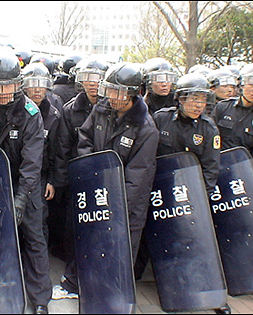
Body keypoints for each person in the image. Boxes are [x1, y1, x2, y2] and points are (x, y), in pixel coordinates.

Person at [52, 62, 159, 300]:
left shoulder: (146, 128)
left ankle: (111, 295)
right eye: (109, 90)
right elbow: (85, 137)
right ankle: (74, 285)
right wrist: (90, 168)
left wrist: (117, 206)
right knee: (86, 239)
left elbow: (138, 177)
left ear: (133, 93)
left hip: (125, 203)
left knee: (118, 249)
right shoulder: (101, 108)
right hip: (95, 190)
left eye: (118, 92)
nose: (112, 97)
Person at [0, 49, 51, 314]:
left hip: (25, 182)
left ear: (19, 85)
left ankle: (39, 299)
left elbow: (32, 163)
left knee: (34, 236)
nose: (3, 92)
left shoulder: (30, 113)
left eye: (9, 86)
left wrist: (20, 201)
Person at [135, 72, 221, 288]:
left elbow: (210, 169)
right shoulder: (161, 118)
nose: (198, 105)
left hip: (187, 194)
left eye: (202, 100)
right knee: (146, 233)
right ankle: (134, 275)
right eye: (193, 99)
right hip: (156, 188)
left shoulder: (209, 130)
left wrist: (201, 200)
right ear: (181, 99)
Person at [51, 58, 110, 298]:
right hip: (78, 177)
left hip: (106, 179)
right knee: (73, 229)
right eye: (88, 78)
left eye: (98, 78)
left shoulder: (113, 106)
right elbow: (62, 147)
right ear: (80, 81)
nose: (93, 84)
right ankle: (73, 279)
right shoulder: (70, 109)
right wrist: (61, 182)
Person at [211, 63, 253, 178]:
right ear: (241, 85)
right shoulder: (223, 107)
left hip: (244, 172)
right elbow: (210, 141)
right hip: (217, 169)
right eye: (251, 85)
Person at [21, 62, 61, 244]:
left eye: (41, 84)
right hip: (19, 172)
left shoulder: (53, 115)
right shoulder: (17, 110)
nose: (37, 90)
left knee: (39, 220)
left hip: (41, 175)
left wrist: (52, 180)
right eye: (32, 84)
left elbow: (56, 151)